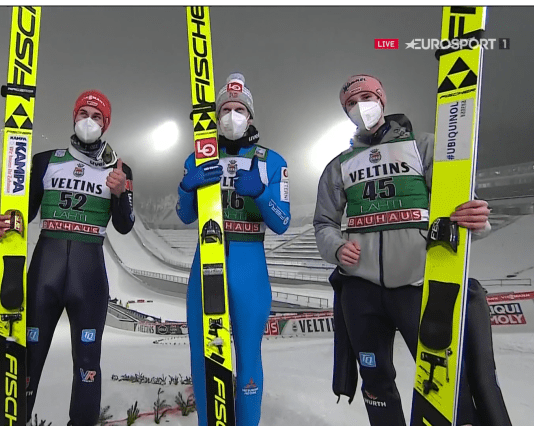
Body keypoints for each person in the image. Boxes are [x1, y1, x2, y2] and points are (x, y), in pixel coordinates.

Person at [314, 74, 512, 426]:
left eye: (366, 97)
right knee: (375, 381)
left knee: (443, 380)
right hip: (361, 288)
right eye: (351, 103)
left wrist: (478, 221)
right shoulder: (339, 164)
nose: (360, 106)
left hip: (418, 284)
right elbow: (323, 222)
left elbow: (462, 207)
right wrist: (336, 248)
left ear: (381, 99)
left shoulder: (423, 146)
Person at [0, 90, 135, 426]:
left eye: (96, 117)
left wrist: (120, 193)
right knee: (27, 357)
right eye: (83, 114)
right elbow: (23, 213)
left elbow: (125, 225)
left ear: (106, 124)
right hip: (46, 271)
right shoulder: (46, 161)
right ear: (74, 117)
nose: (89, 121)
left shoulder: (119, 169)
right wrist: (3, 221)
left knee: (87, 363)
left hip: (89, 277)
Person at [175, 73, 291, 426]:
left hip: (249, 265)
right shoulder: (198, 157)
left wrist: (262, 193)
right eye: (225, 109)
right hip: (206, 261)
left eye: (239, 109)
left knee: (248, 356)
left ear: (250, 116)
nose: (232, 116)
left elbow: (282, 222)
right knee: (203, 356)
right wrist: (187, 187)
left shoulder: (273, 161)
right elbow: (184, 215)